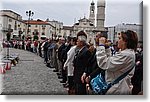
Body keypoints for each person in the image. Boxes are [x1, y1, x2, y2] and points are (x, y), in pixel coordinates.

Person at [86, 30, 138, 95]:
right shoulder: (126, 53)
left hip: (118, 89)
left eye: (120, 38)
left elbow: (104, 64)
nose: (117, 41)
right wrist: (107, 48)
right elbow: (111, 62)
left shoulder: (126, 55)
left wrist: (101, 46)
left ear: (126, 41)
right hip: (117, 87)